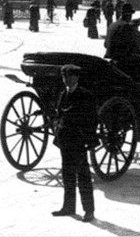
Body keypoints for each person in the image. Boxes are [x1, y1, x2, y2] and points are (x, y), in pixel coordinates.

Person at [51, 64, 97, 223]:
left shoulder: (85, 95)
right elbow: (59, 114)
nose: (67, 80)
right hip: (65, 140)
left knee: (83, 176)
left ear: (76, 77)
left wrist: (88, 140)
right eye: (64, 77)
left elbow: (91, 120)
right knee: (67, 174)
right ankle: (68, 206)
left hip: (78, 140)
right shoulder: (63, 94)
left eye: (70, 77)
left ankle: (89, 210)